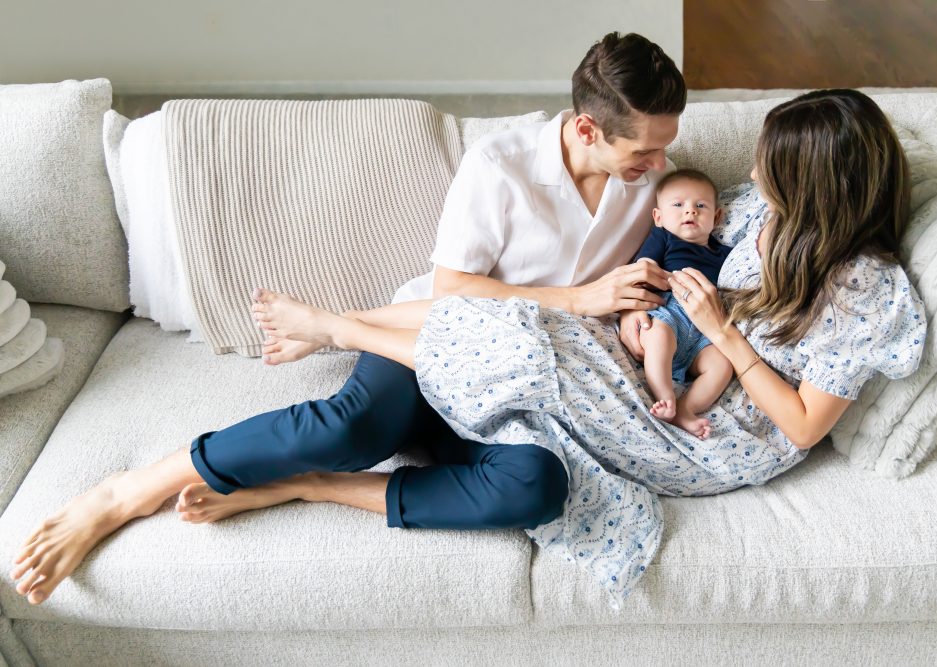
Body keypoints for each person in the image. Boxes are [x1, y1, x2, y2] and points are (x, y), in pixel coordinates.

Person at [9, 32, 687, 605]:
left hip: (524, 386)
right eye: (643, 153)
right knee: (356, 424)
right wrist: (581, 297)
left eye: (665, 149)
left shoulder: (655, 188)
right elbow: (453, 290)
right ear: (588, 129)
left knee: (538, 485)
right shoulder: (501, 166)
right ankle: (126, 491)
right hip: (432, 338)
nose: (660, 166)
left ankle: (311, 485)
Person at [630, 169, 733, 435]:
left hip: (705, 330)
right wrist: (636, 303)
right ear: (659, 217)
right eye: (678, 205)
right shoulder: (663, 237)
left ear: (717, 216)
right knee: (658, 336)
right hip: (670, 310)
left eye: (700, 206)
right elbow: (645, 267)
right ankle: (665, 396)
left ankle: (686, 409)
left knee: (723, 365)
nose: (690, 212)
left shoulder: (726, 255)